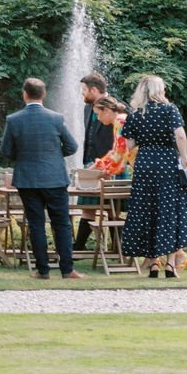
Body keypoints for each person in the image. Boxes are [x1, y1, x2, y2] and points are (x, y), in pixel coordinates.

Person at [0, 76, 82, 280]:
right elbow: (72, 147)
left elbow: (6, 150)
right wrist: (54, 156)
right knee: (61, 223)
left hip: (27, 179)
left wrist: (25, 156)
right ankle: (67, 269)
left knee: (36, 224)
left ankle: (43, 270)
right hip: (55, 178)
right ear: (43, 94)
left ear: (24, 94)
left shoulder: (14, 119)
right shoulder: (56, 118)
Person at [121, 74, 187, 277]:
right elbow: (180, 135)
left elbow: (128, 145)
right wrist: (184, 158)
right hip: (167, 166)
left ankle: (153, 263)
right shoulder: (169, 110)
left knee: (148, 212)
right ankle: (170, 264)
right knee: (170, 211)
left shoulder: (136, 113)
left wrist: (142, 143)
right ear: (160, 90)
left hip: (145, 166)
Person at [72, 70, 114, 252]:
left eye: (84, 90)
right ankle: (78, 247)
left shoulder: (117, 108)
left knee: (113, 207)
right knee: (87, 207)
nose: (82, 93)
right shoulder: (87, 107)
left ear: (94, 90)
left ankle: (118, 249)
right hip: (90, 162)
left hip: (111, 165)